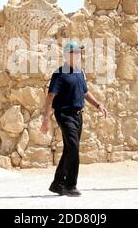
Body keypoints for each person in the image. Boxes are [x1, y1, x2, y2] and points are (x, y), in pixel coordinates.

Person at [40, 41, 108, 197]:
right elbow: (50, 97)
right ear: (66, 55)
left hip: (78, 115)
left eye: (79, 52)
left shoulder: (80, 72)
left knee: (69, 149)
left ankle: (57, 184)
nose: (78, 55)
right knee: (74, 149)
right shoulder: (59, 73)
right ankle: (71, 185)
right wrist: (46, 119)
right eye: (75, 52)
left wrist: (98, 105)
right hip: (64, 115)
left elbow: (85, 92)